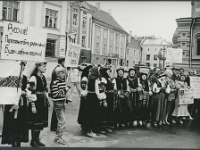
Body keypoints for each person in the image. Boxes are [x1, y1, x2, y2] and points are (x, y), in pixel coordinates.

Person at [1, 61, 29, 147]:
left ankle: (19, 141)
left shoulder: (24, 77)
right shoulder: (8, 76)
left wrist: (25, 92)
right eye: (21, 65)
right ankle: (12, 141)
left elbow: (29, 88)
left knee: (20, 122)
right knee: (11, 122)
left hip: (22, 104)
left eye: (24, 66)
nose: (22, 67)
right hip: (11, 103)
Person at [26, 62, 49, 147]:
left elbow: (45, 90)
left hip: (42, 101)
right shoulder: (33, 78)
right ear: (38, 67)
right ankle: (33, 140)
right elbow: (30, 92)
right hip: (36, 102)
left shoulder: (43, 77)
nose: (45, 68)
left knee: (40, 121)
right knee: (35, 121)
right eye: (44, 66)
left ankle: (37, 139)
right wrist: (33, 105)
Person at [50, 57, 68, 133]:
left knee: (58, 111)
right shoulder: (57, 69)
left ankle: (57, 125)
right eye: (65, 61)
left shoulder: (62, 68)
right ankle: (55, 126)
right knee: (56, 111)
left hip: (60, 93)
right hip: (57, 89)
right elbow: (55, 80)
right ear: (62, 62)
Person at [84, 66, 101, 137]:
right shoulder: (96, 80)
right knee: (94, 114)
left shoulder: (89, 78)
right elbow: (98, 91)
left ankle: (88, 129)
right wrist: (100, 98)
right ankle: (90, 131)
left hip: (89, 96)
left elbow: (86, 88)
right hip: (94, 97)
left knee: (89, 114)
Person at [77, 65, 93, 131]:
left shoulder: (88, 78)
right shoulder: (85, 78)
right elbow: (83, 89)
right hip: (85, 97)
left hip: (86, 96)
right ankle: (83, 124)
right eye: (90, 71)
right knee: (84, 110)